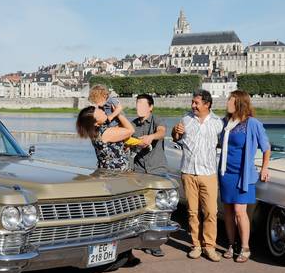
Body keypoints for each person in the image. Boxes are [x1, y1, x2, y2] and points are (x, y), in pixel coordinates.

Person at [218, 90, 271, 263]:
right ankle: (231, 245)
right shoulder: (225, 122)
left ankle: (245, 247)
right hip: (226, 173)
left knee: (240, 212)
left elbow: (266, 147)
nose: (227, 103)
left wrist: (264, 168)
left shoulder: (252, 123)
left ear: (239, 103)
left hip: (243, 174)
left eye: (230, 100)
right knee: (227, 211)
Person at [172, 89, 225, 261]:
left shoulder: (218, 123)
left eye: (196, 103)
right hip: (188, 172)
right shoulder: (185, 119)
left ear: (207, 104)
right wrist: (176, 132)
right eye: (192, 102)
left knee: (211, 212)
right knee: (192, 212)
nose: (193, 105)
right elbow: (176, 138)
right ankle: (196, 245)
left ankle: (209, 247)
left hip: (208, 173)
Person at [131, 93, 168, 256]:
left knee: (158, 208)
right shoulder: (132, 124)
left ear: (150, 107)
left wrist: (151, 137)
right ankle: (139, 240)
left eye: (142, 104)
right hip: (138, 170)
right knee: (140, 208)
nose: (139, 107)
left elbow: (162, 132)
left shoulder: (157, 119)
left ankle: (155, 243)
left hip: (156, 170)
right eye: (137, 104)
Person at [75, 105, 134, 171]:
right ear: (95, 123)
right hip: (115, 173)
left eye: (100, 110)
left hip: (106, 170)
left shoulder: (95, 133)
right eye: (99, 113)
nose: (103, 112)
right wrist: (118, 114)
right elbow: (131, 131)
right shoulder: (105, 133)